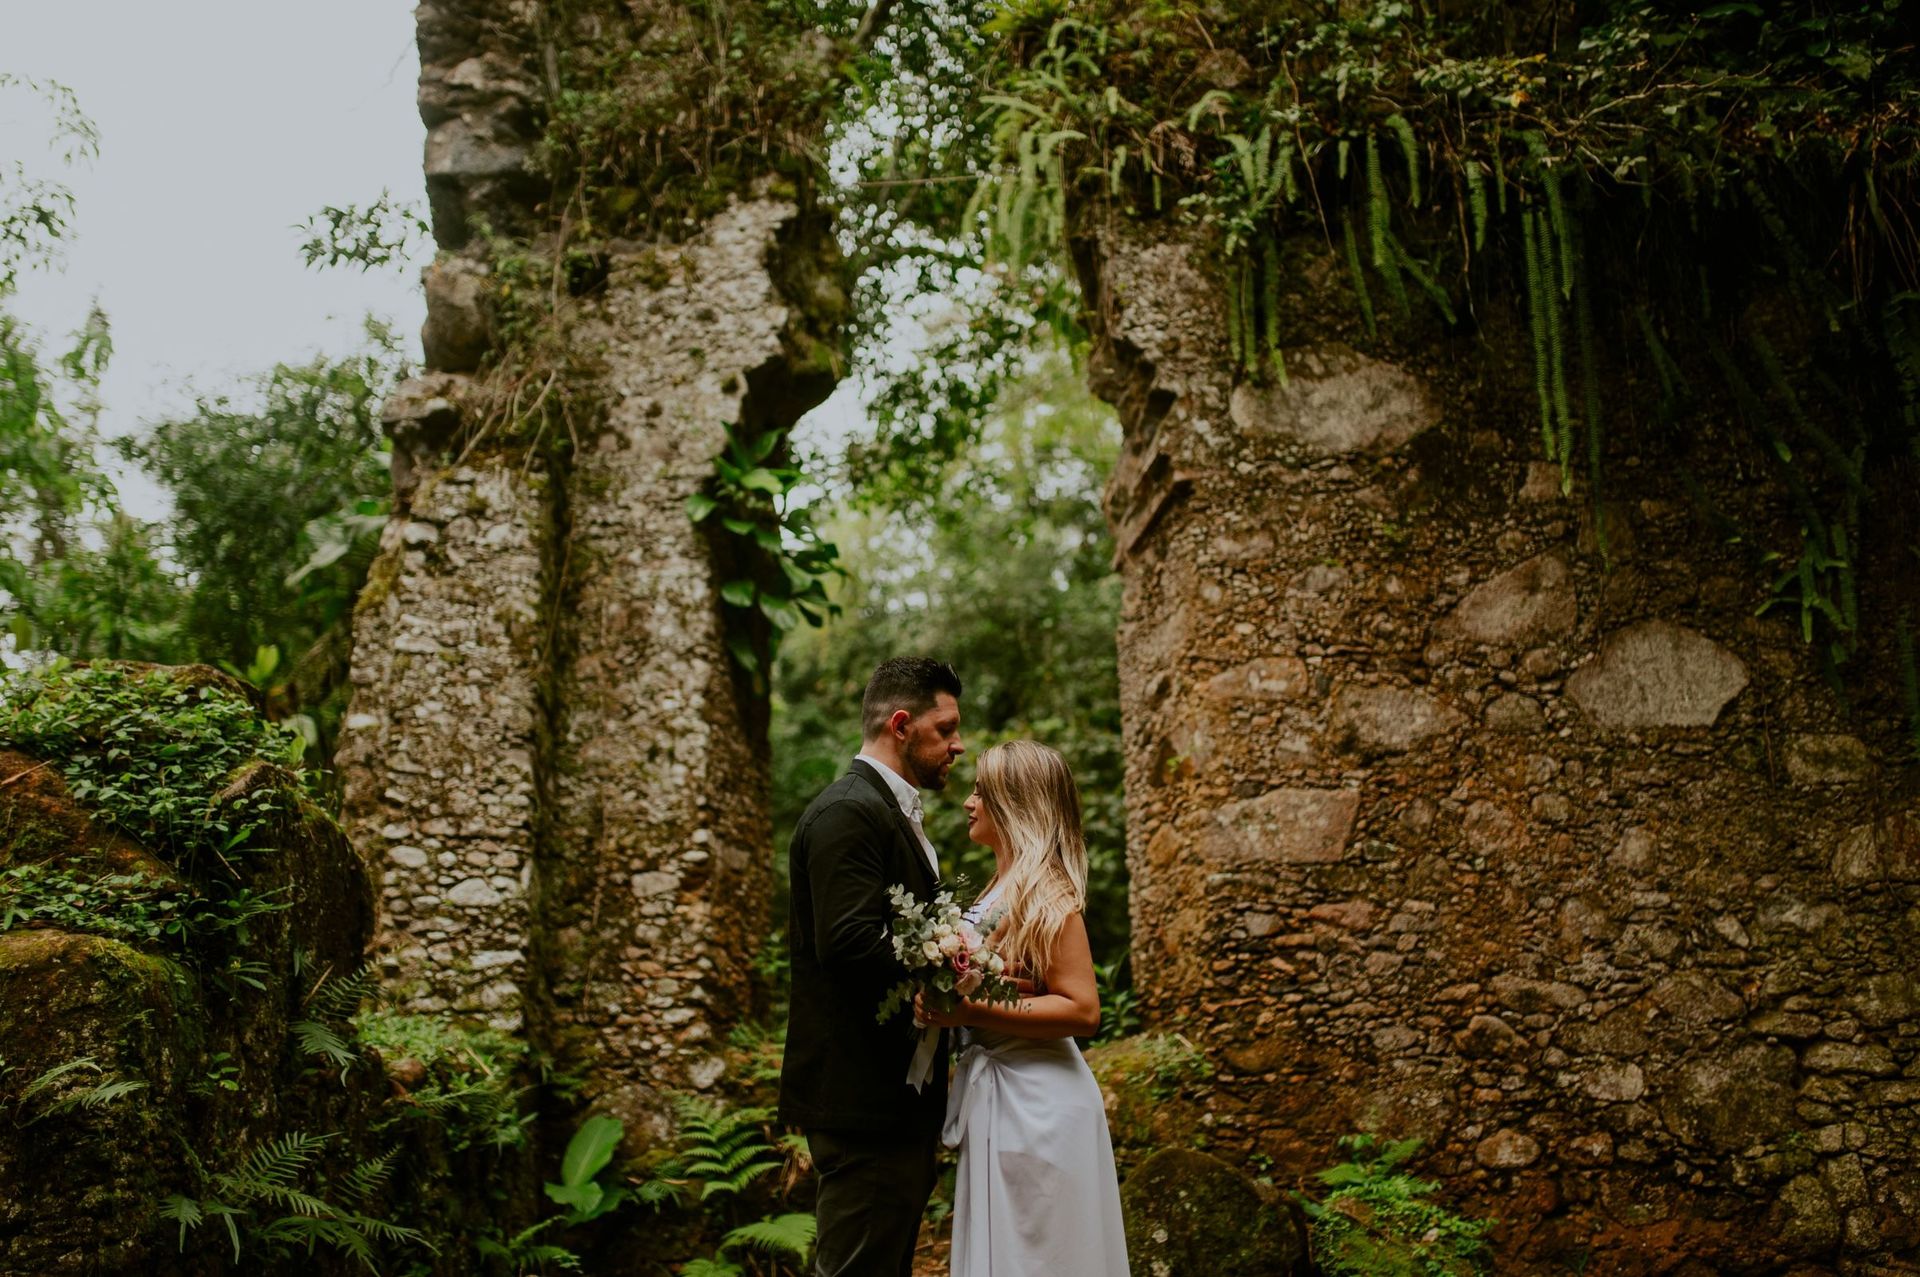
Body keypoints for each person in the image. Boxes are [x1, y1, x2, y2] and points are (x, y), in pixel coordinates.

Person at [914, 740, 1130, 1277]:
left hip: (1041, 1109)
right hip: (1005, 1098)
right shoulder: (1000, 887)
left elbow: (1083, 1010)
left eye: (981, 792)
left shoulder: (1045, 892)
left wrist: (972, 1011)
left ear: (1015, 803)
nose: (969, 802)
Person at [780, 656, 967, 1277]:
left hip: (895, 1107)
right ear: (902, 725)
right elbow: (848, 940)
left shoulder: (885, 810)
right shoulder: (847, 811)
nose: (958, 745)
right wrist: (952, 958)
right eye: (946, 729)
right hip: (864, 1104)